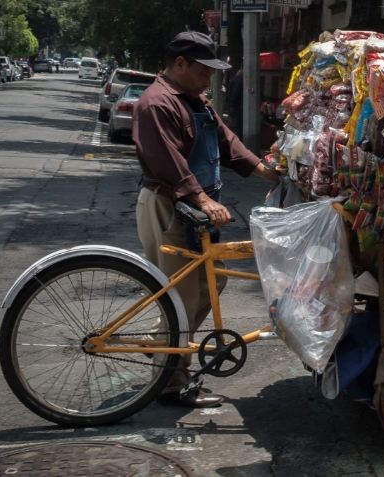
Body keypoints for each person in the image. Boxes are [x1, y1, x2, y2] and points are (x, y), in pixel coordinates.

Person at [133, 30, 279, 408]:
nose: (209, 79)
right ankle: (170, 383)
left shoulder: (195, 100)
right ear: (179, 64)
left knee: (212, 285)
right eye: (203, 71)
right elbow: (169, 162)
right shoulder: (157, 103)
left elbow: (226, 142)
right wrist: (200, 198)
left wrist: (263, 169)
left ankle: (161, 343)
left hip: (197, 210)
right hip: (171, 206)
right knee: (183, 297)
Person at [228, 69, 244, 138]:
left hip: (237, 106)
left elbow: (235, 93)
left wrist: (232, 104)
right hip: (240, 106)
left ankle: (237, 142)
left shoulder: (237, 79)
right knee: (238, 125)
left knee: (236, 125)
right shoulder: (241, 80)